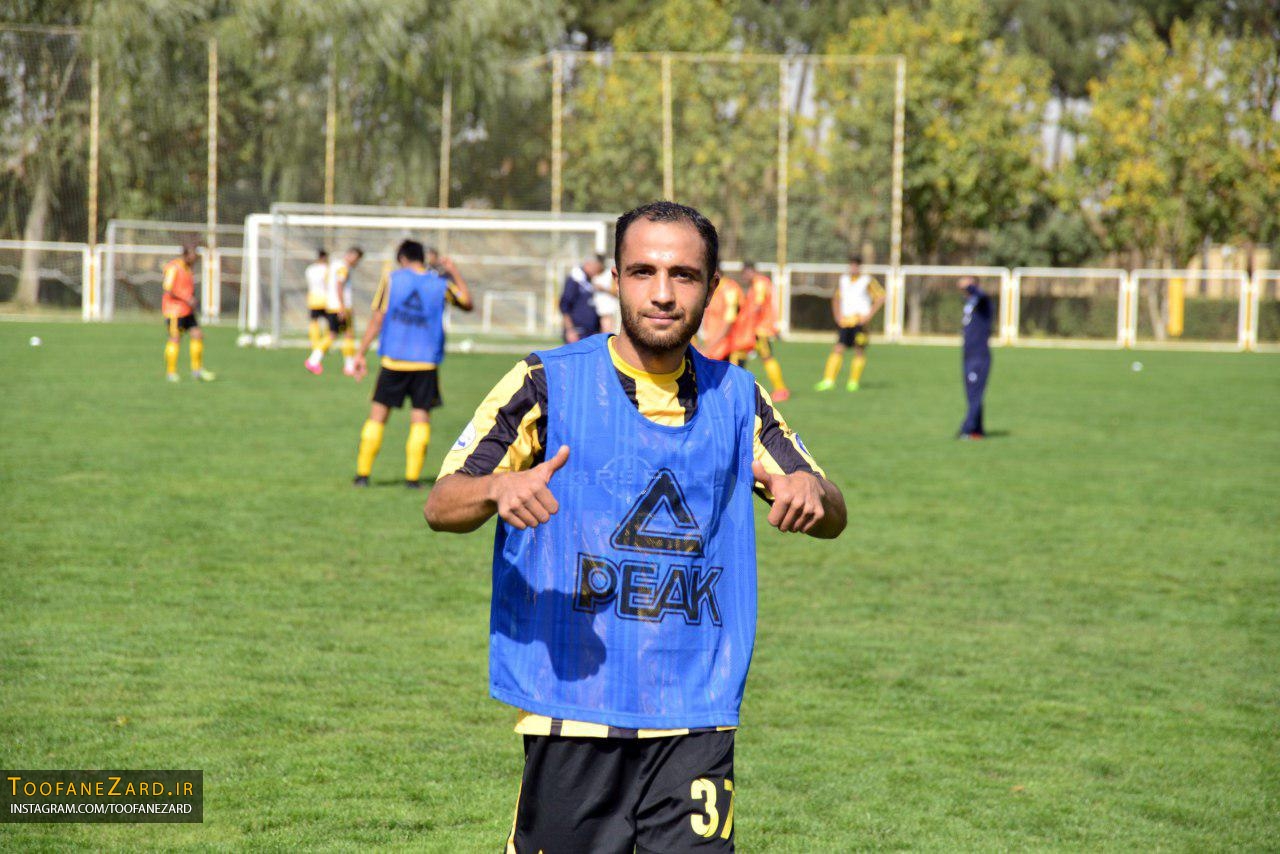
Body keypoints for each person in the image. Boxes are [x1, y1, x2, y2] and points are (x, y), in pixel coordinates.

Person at [424, 201, 846, 853]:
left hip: (695, 712)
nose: (663, 293)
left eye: (684, 275)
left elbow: (831, 509)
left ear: (711, 287)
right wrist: (495, 487)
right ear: (617, 280)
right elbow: (442, 503)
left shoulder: (737, 398)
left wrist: (811, 491)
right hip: (576, 713)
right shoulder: (547, 382)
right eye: (644, 271)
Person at [350, 240, 473, 488]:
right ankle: (412, 479)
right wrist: (454, 271)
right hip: (425, 363)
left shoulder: (392, 279)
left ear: (402, 259)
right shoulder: (440, 284)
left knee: (377, 416)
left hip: (394, 360)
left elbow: (377, 319)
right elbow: (467, 303)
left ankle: (362, 475)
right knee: (420, 419)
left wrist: (360, 353)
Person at [816, 255, 885, 392]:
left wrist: (868, 315)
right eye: (851, 265)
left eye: (855, 265)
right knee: (838, 348)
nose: (853, 268)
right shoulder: (844, 280)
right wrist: (837, 316)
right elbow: (836, 298)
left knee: (859, 350)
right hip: (845, 322)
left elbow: (881, 297)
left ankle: (853, 382)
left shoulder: (867, 281)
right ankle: (829, 380)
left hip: (859, 322)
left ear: (859, 267)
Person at [734, 261, 790, 401]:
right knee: (741, 354)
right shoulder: (759, 283)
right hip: (757, 328)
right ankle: (737, 388)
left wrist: (746, 321)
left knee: (766, 357)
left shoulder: (759, 283)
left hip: (760, 329)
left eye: (744, 274)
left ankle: (781, 390)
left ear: (750, 271)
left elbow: (758, 306)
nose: (743, 277)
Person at [305, 246, 364, 375]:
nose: (356, 262)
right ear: (351, 255)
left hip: (332, 305)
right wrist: (342, 306)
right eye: (357, 259)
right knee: (340, 334)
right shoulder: (343, 267)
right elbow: (339, 285)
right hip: (341, 307)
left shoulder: (333, 265)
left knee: (341, 334)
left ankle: (347, 365)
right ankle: (314, 360)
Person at [162, 242, 214, 382]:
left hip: (187, 310)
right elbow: (168, 288)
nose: (195, 258)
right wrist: (187, 298)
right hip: (174, 311)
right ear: (186, 255)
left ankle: (197, 371)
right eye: (193, 255)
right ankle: (171, 373)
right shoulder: (174, 267)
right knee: (175, 339)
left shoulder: (188, 268)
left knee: (197, 335)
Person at [957, 275, 993, 439]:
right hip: (968, 354)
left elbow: (981, 295)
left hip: (979, 355)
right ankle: (977, 430)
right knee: (972, 394)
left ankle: (967, 429)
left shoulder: (983, 302)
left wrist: (969, 286)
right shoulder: (970, 303)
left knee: (975, 394)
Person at [697, 263, 743, 361]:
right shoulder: (714, 289)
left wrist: (709, 347)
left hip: (728, 349)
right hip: (715, 347)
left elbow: (728, 322)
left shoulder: (730, 289)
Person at [559, 255, 605, 342]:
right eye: (596, 269)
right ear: (588, 265)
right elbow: (565, 306)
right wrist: (570, 330)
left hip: (591, 331)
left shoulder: (589, 281)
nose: (596, 272)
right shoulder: (575, 279)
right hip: (578, 332)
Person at [304, 249, 330, 356]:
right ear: (324, 257)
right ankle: (324, 345)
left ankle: (315, 344)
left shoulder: (310, 269)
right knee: (329, 323)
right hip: (326, 299)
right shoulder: (327, 269)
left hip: (313, 299)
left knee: (314, 322)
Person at [592, 259, 620, 334]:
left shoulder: (609, 275)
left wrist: (603, 289)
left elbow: (615, 292)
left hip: (608, 312)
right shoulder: (594, 276)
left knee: (607, 332)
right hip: (597, 311)